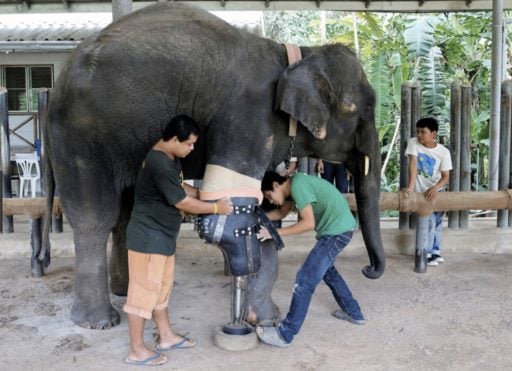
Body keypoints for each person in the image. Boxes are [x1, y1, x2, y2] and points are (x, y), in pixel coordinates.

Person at [123, 115, 233, 366]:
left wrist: (209, 197)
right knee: (141, 296)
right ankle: (137, 350)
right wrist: (215, 208)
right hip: (148, 239)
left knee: (160, 291)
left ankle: (166, 337)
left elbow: (181, 188)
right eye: (189, 144)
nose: (192, 149)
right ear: (174, 139)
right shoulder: (158, 162)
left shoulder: (170, 158)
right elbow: (181, 201)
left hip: (161, 238)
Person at [255, 171, 364, 348]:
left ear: (276, 185)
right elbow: (281, 213)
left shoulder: (298, 185)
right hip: (339, 230)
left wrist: (274, 233)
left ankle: (285, 334)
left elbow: (308, 223)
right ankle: (354, 313)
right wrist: (256, 218)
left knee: (304, 280)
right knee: (328, 272)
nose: (271, 200)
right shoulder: (294, 187)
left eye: (269, 195)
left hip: (336, 232)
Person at [405, 117, 452, 267]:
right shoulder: (413, 143)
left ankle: (435, 252)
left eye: (423, 132)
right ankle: (428, 253)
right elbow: (412, 163)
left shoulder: (443, 152)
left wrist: (435, 188)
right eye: (417, 131)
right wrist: (411, 188)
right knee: (429, 222)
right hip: (421, 193)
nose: (419, 135)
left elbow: (446, 177)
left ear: (433, 133)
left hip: (437, 190)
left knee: (437, 223)